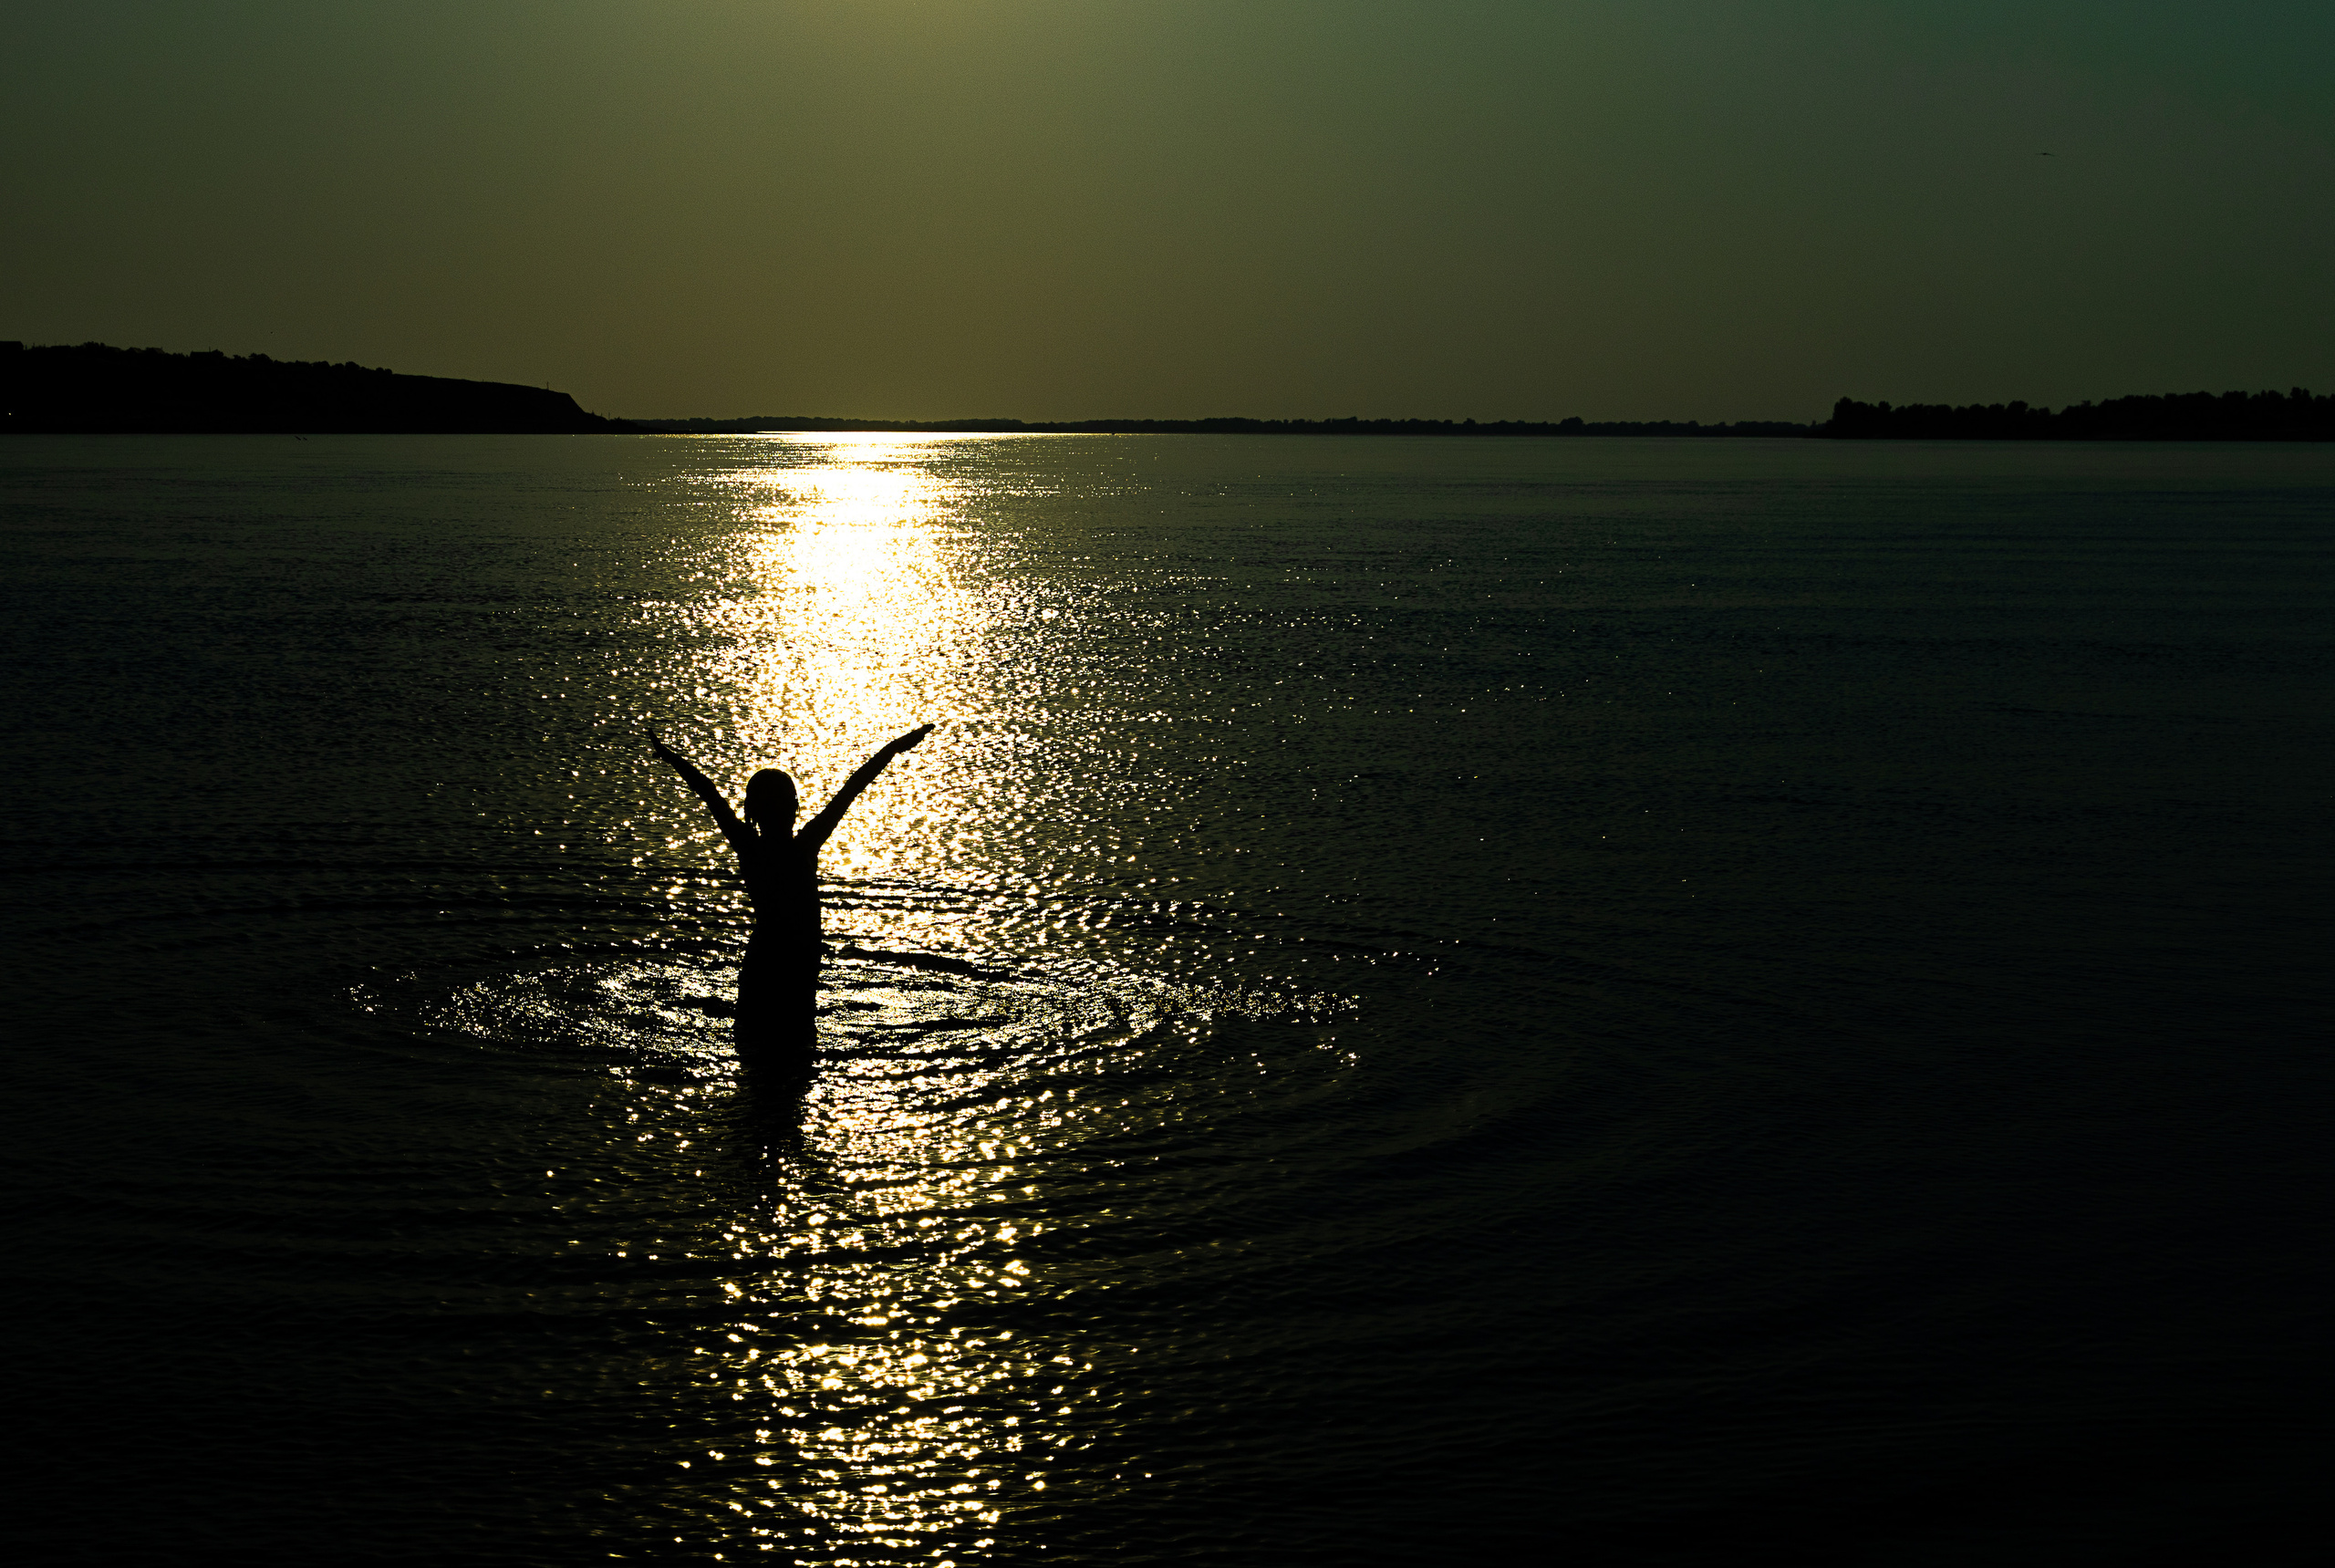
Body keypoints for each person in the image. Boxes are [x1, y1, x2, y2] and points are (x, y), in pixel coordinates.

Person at [648, 723, 934, 1079]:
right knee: (797, 1052)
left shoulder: (748, 844)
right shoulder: (805, 844)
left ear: (751, 811)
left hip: (765, 958)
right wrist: (894, 747)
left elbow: (707, 791)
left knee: (751, 1051)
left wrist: (668, 756)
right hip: (798, 958)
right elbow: (854, 786)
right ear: (794, 807)